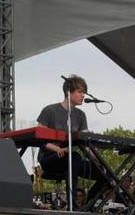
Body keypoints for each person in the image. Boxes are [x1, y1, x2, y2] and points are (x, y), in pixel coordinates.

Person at [37, 75, 104, 208]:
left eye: (84, 92)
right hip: (49, 158)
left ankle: (86, 206)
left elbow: (85, 142)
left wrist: (97, 159)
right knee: (74, 157)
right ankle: (72, 205)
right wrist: (56, 149)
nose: (83, 95)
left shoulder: (81, 115)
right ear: (69, 92)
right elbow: (39, 138)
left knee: (104, 174)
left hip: (71, 160)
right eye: (80, 92)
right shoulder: (49, 110)